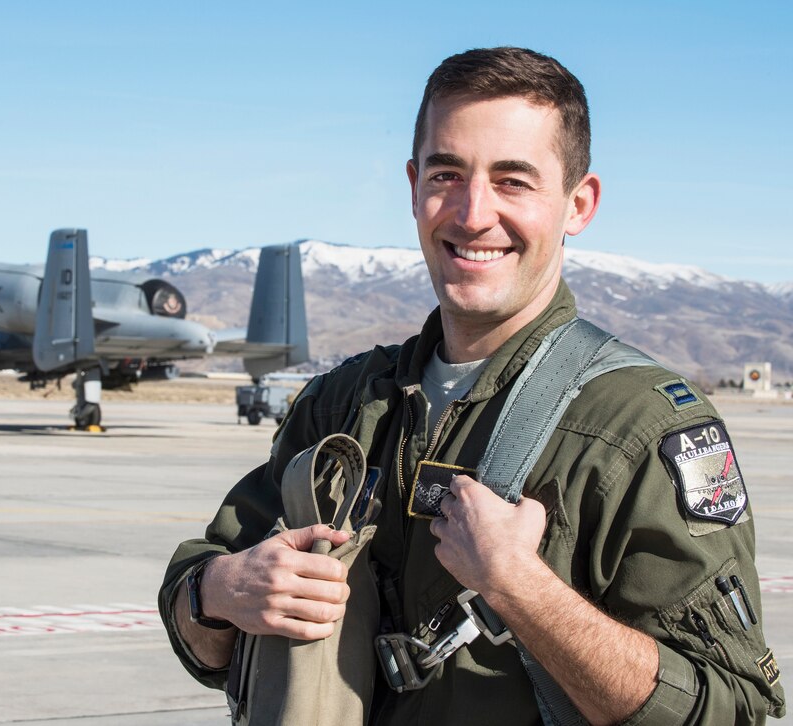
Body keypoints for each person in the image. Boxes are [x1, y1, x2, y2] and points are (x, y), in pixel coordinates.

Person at [158, 47, 785, 724]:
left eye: (513, 181)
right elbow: (201, 629)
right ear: (413, 186)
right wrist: (220, 592)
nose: (472, 212)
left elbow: (731, 708)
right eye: (447, 174)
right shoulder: (346, 405)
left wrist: (521, 588)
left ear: (579, 203)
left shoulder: (636, 429)